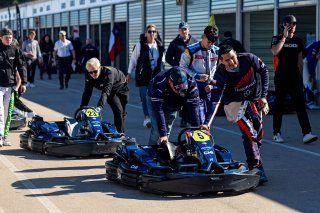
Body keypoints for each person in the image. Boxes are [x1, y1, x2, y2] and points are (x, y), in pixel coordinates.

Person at [211, 44, 269, 184]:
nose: (231, 62)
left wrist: (264, 96)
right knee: (249, 134)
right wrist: (207, 123)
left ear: (236, 53)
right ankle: (256, 167)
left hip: (253, 100)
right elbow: (215, 98)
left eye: (232, 58)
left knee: (258, 133)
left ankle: (252, 161)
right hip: (235, 105)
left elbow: (264, 71)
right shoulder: (220, 73)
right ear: (221, 61)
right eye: (226, 60)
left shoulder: (249, 59)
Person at [271, 15, 318, 144]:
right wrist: (285, 37)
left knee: (300, 104)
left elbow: (300, 62)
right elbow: (275, 52)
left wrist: (302, 79)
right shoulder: (277, 38)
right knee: (279, 105)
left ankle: (307, 133)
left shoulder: (298, 41)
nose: (293, 26)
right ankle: (277, 132)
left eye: (294, 24)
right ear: (284, 25)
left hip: (295, 77)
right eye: (290, 24)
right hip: (281, 77)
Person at [146, 67, 200, 145]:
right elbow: (158, 110)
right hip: (155, 99)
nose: (179, 91)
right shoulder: (159, 82)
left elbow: (194, 107)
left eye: (182, 88)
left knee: (167, 129)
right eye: (177, 88)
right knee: (158, 131)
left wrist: (196, 130)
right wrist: (162, 134)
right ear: (170, 82)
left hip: (174, 101)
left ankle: (163, 149)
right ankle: (151, 151)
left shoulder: (191, 82)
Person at [127, 24, 165, 128]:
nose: (152, 33)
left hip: (155, 76)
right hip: (143, 75)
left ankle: (154, 117)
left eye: (154, 31)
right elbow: (133, 59)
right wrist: (129, 73)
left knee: (155, 97)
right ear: (146, 33)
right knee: (144, 96)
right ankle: (147, 118)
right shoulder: (140, 45)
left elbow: (162, 62)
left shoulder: (160, 46)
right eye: (150, 31)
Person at [180, 25, 219, 125]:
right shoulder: (191, 50)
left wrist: (213, 84)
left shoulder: (217, 51)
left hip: (209, 87)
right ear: (203, 36)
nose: (210, 45)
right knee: (198, 118)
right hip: (194, 86)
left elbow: (221, 71)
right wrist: (197, 76)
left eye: (213, 42)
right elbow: (182, 67)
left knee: (208, 116)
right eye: (209, 42)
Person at [80, 58, 129, 133]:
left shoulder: (108, 73)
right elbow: (87, 92)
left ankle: (119, 132)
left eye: (95, 71)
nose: (93, 74)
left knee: (122, 112)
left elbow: (105, 92)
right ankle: (120, 134)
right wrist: (82, 107)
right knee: (118, 110)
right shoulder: (88, 74)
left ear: (99, 68)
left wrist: (99, 107)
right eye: (91, 72)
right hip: (110, 91)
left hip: (121, 87)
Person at [165, 21, 198, 127]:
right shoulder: (174, 43)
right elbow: (168, 57)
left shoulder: (194, 42)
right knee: (183, 95)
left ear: (189, 30)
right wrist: (177, 66)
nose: (184, 31)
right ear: (179, 31)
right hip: (181, 74)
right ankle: (184, 118)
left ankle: (191, 117)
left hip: (192, 72)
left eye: (185, 29)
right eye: (182, 29)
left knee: (192, 95)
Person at [0, 27, 27, 146]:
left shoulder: (15, 49)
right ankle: (0, 136)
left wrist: (24, 83)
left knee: (6, 112)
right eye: (6, 37)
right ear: (1, 38)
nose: (9, 39)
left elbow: (21, 66)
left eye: (10, 37)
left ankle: (4, 137)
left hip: (10, 86)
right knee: (0, 112)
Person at [303, 40, 320, 109]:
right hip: (304, 62)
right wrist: (310, 73)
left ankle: (308, 101)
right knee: (308, 83)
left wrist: (312, 72)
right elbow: (310, 60)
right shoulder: (316, 46)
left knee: (310, 83)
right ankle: (309, 103)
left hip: (306, 62)